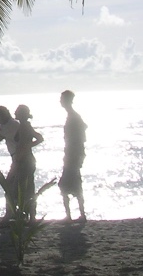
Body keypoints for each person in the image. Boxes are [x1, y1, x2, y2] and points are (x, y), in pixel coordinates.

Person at [58, 89, 87, 222]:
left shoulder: (74, 117)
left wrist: (77, 155)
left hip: (73, 154)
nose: (60, 101)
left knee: (69, 185)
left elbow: (80, 136)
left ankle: (76, 215)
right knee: (71, 184)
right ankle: (74, 214)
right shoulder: (72, 116)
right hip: (71, 153)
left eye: (62, 99)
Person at [12, 104, 43, 220]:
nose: (15, 113)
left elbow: (39, 138)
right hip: (24, 159)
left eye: (17, 112)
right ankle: (26, 215)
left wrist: (27, 147)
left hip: (25, 160)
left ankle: (31, 216)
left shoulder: (25, 126)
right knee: (24, 188)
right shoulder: (22, 125)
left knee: (26, 188)